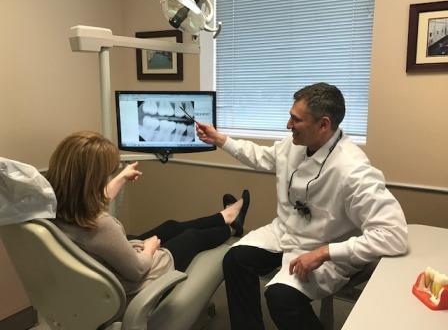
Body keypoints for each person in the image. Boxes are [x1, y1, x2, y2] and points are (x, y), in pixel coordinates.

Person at [196, 82, 408, 330]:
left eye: (295, 120)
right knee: (235, 259)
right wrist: (221, 139)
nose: (288, 126)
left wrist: (324, 252)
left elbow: (394, 236)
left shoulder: (353, 170)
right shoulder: (294, 145)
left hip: (324, 248)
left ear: (323, 125)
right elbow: (263, 157)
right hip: (285, 232)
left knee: (281, 297)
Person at [45, 131, 250, 296]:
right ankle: (230, 229)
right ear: (92, 181)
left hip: (104, 269)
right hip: (135, 281)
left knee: (170, 226)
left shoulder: (53, 208)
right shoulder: (103, 226)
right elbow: (138, 271)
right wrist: (150, 248)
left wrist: (122, 177)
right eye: (106, 174)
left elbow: (94, 200)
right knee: (191, 237)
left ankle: (225, 216)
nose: (108, 178)